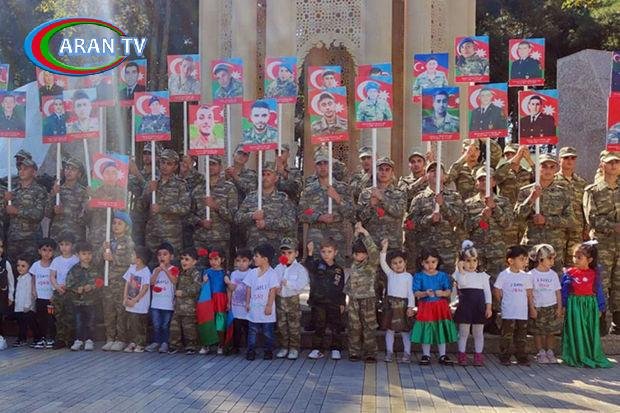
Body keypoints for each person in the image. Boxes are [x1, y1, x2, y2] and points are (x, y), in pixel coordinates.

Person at [515, 154, 576, 272]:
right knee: (529, 280)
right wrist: (531, 198)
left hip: (554, 247)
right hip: (532, 246)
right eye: (544, 166)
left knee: (554, 280)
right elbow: (517, 217)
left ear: (556, 169)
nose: (548, 170)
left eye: (552, 167)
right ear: (537, 168)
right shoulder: (526, 191)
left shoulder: (563, 192)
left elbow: (571, 220)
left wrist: (546, 220)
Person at [583, 151, 619, 335]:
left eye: (617, 162)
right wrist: (614, 226)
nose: (614, 165)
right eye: (610, 162)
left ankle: (618, 322)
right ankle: (600, 319)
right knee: (601, 282)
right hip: (603, 244)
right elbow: (592, 218)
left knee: (619, 281)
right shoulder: (593, 190)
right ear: (602, 165)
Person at [407, 162, 464, 275]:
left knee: (446, 282)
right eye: (432, 171)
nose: (435, 173)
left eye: (439, 171)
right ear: (426, 175)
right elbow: (411, 224)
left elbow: (460, 219)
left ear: (444, 176)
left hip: (447, 251)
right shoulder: (418, 199)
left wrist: (443, 205)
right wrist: (429, 219)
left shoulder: (454, 196)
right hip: (425, 251)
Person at [561, 242, 611, 368]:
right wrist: (564, 305)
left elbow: (599, 291)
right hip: (574, 306)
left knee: (589, 330)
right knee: (576, 330)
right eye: (574, 256)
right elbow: (564, 291)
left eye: (579, 257)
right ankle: (577, 355)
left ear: (589, 260)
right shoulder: (569, 273)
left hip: (590, 306)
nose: (575, 260)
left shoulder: (594, 274)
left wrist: (600, 307)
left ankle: (590, 354)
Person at [235, 162, 297, 262]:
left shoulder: (283, 198)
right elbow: (237, 218)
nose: (265, 177)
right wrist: (252, 216)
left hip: (274, 250)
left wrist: (267, 223)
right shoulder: (251, 197)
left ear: (276, 178)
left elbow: (290, 222)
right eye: (263, 174)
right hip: (254, 249)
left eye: (268, 174)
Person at [299, 151, 353, 262]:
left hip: (337, 235)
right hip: (316, 236)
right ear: (315, 167)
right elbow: (303, 212)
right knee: (315, 267)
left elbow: (351, 213)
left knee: (338, 268)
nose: (323, 167)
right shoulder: (309, 190)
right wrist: (318, 217)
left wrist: (337, 198)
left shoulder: (343, 188)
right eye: (319, 164)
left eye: (326, 163)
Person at [410, 247, 457, 366]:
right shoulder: (419, 276)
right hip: (426, 307)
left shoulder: (442, 275)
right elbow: (416, 292)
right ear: (422, 263)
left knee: (441, 329)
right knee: (426, 329)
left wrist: (442, 293)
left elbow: (448, 291)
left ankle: (442, 355)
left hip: (440, 307)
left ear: (438, 261)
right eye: (427, 262)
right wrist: (425, 293)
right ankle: (426, 355)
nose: (430, 265)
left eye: (433, 262)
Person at [142, 149, 190, 257]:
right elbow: (140, 207)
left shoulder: (180, 185)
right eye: (163, 162)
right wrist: (149, 192)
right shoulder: (152, 182)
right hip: (153, 234)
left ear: (175, 166)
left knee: (172, 264)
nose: (164, 166)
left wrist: (162, 208)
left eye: (169, 164)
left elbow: (185, 208)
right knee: (152, 264)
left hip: (171, 235)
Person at [189, 156, 238, 261]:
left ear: (220, 167)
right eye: (208, 164)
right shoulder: (198, 189)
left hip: (220, 239)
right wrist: (200, 222)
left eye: (213, 164)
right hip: (200, 239)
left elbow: (233, 216)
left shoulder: (229, 188)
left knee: (219, 268)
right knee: (200, 267)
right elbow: (189, 215)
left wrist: (216, 206)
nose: (210, 167)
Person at [304, 239, 346, 360]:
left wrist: (342, 303)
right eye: (323, 251)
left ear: (335, 252)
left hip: (334, 303)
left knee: (336, 326)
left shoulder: (339, 270)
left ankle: (336, 348)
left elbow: (341, 287)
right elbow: (309, 265)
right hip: (319, 302)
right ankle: (317, 349)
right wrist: (310, 253)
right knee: (319, 325)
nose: (326, 254)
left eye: (329, 251)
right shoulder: (317, 265)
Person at [493, 245, 534, 366]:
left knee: (521, 335)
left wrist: (531, 307)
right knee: (507, 334)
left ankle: (521, 355)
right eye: (521, 259)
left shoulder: (526, 276)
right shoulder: (504, 275)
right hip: (509, 311)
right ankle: (504, 355)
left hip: (522, 312)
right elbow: (497, 290)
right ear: (511, 261)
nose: (524, 262)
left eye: (525, 259)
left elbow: (529, 293)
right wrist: (502, 302)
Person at [453, 241, 492, 367]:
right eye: (468, 261)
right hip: (465, 307)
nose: (472, 264)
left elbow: (487, 293)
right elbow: (462, 284)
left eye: (474, 260)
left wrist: (488, 307)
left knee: (478, 332)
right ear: (461, 261)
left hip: (479, 307)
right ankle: (461, 354)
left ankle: (478, 355)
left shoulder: (482, 276)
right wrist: (460, 270)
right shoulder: (458, 274)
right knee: (463, 332)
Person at [345, 222, 379, 363]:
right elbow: (354, 244)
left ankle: (370, 353)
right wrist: (356, 232)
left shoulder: (370, 265)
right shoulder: (353, 264)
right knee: (354, 326)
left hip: (367, 300)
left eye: (361, 254)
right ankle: (354, 352)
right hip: (354, 300)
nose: (358, 256)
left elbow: (374, 251)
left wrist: (365, 233)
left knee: (369, 326)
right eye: (356, 254)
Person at [101, 211, 135, 352]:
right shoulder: (109, 241)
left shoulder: (128, 242)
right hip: (109, 281)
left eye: (120, 223)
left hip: (121, 282)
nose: (116, 226)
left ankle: (121, 339)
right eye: (114, 223)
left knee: (121, 311)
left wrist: (113, 258)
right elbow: (99, 260)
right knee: (108, 311)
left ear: (126, 227)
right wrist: (103, 250)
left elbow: (131, 260)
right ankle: (110, 338)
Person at [5, 158, 48, 264]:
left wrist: (16, 211)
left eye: (25, 169)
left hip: (30, 240)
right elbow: (7, 214)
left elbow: (38, 214)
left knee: (30, 268)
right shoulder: (14, 191)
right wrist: (6, 201)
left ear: (33, 172)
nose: (21, 171)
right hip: (13, 239)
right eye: (20, 169)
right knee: (13, 269)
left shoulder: (39, 190)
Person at [379, 239, 414, 363]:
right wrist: (384, 249)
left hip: (403, 306)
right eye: (394, 263)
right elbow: (382, 263)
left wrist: (411, 307)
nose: (398, 265)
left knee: (405, 331)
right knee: (390, 330)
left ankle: (407, 353)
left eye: (400, 262)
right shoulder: (390, 274)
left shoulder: (408, 277)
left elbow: (411, 293)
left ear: (405, 263)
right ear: (391, 265)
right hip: (390, 306)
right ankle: (389, 352)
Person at [527, 244, 562, 364]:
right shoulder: (531, 275)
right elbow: (529, 293)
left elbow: (557, 292)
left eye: (553, 258)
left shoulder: (553, 274)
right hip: (538, 308)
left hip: (551, 307)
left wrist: (559, 307)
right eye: (549, 258)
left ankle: (550, 351)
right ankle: (540, 352)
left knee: (551, 331)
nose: (552, 262)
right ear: (540, 259)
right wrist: (531, 308)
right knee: (537, 331)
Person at [274, 237, 309, 360]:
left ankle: (294, 348)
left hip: (292, 300)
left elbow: (301, 284)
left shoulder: (300, 269)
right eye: (283, 253)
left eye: (290, 252)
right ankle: (284, 347)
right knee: (281, 325)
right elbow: (273, 282)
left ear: (296, 253)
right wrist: (276, 287)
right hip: (280, 299)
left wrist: (287, 283)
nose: (286, 255)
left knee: (294, 325)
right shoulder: (278, 268)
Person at [244, 243, 279, 361]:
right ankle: (251, 351)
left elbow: (273, 290)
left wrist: (269, 306)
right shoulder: (252, 273)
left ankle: (268, 351)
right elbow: (248, 288)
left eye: (257, 256)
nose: (254, 258)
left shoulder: (272, 274)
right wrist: (247, 303)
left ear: (265, 259)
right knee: (252, 331)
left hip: (266, 309)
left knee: (267, 332)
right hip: (254, 308)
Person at [554, 147, 589, 268]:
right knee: (556, 261)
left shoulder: (582, 183)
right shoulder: (553, 180)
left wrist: (586, 228)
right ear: (559, 160)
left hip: (576, 229)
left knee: (574, 262)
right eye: (566, 158)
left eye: (572, 158)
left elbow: (585, 207)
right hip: (558, 228)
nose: (569, 160)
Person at [65, 241, 98, 351]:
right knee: (78, 322)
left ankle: (89, 340)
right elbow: (68, 283)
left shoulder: (95, 268)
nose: (87, 256)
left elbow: (101, 282)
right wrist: (76, 288)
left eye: (89, 253)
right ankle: (78, 340)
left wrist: (92, 286)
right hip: (77, 302)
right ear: (78, 255)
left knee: (91, 322)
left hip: (91, 301)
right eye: (84, 254)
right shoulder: (74, 269)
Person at [146, 242, 178, 354]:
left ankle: (165, 343)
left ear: (171, 257)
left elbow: (174, 281)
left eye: (165, 254)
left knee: (165, 324)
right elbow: (151, 282)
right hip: (156, 303)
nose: (162, 257)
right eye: (159, 255)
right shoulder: (155, 269)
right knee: (156, 324)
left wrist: (165, 270)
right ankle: (156, 342)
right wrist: (158, 271)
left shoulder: (174, 269)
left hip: (168, 303)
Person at [49, 233, 79, 350]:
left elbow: (77, 277)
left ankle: (70, 338)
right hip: (58, 292)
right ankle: (60, 339)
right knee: (59, 316)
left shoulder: (76, 260)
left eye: (67, 244)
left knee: (70, 315)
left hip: (71, 292)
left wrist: (68, 286)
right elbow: (52, 276)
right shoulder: (56, 260)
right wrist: (57, 287)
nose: (64, 247)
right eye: (61, 244)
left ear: (72, 245)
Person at [168, 248, 201, 355]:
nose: (183, 261)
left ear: (194, 262)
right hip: (178, 307)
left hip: (189, 308)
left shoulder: (195, 273)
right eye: (182, 259)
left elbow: (196, 287)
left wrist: (183, 292)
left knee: (189, 328)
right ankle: (174, 345)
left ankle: (191, 346)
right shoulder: (180, 272)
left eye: (187, 259)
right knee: (174, 327)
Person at [48, 157, 88, 242]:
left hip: (75, 237)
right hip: (57, 236)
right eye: (67, 168)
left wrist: (65, 211)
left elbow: (85, 218)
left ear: (79, 174)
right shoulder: (57, 190)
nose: (69, 171)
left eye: (73, 169)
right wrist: (53, 195)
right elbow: (46, 213)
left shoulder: (83, 192)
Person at [200, 247, 232, 354]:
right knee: (207, 320)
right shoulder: (206, 272)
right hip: (208, 299)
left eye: (216, 259)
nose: (213, 262)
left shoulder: (225, 272)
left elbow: (229, 289)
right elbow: (202, 288)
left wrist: (229, 302)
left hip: (220, 300)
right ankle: (206, 345)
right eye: (211, 259)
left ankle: (221, 344)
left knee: (220, 322)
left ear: (222, 259)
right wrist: (204, 282)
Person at [122, 246, 152, 353]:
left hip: (140, 304)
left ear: (139, 259)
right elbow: (127, 282)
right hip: (129, 301)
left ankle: (141, 343)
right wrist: (125, 297)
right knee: (131, 323)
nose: (131, 256)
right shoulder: (131, 268)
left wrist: (135, 300)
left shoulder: (146, 271)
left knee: (140, 324)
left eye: (133, 254)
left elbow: (145, 287)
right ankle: (132, 342)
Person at [30, 238, 56, 349]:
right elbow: (33, 279)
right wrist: (33, 290)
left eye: (50, 250)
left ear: (53, 252)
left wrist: (54, 294)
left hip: (50, 299)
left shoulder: (54, 265)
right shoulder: (36, 265)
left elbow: (56, 279)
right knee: (40, 318)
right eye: (44, 250)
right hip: (40, 298)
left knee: (51, 318)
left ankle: (51, 338)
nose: (47, 253)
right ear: (39, 251)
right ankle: (41, 338)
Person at [229, 249, 252, 354]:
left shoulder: (252, 273)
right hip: (236, 306)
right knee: (236, 329)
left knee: (248, 329)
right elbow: (230, 289)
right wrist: (228, 302)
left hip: (247, 307)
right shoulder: (234, 274)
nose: (241, 263)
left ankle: (250, 348)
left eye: (244, 261)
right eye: (238, 261)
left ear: (250, 262)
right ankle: (235, 347)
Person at [12, 255, 36, 347]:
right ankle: (22, 339)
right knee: (21, 324)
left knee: (31, 323)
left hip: (27, 307)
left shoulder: (29, 278)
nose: (20, 268)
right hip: (19, 306)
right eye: (18, 265)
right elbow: (18, 293)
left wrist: (27, 305)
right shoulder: (19, 278)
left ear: (29, 267)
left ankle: (37, 338)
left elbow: (29, 293)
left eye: (23, 266)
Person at [0, 240, 14, 344]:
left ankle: (1, 338)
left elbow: (11, 281)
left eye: (1, 246)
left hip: (2, 295)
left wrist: (10, 296)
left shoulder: (6, 263)